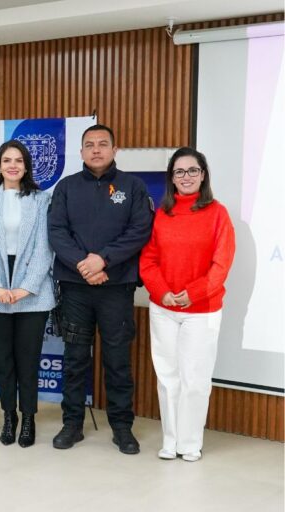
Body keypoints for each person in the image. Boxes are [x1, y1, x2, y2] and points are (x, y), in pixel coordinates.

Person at [48, 124, 153, 454]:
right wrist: (85, 264)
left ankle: (122, 427)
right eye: (89, 145)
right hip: (76, 288)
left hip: (116, 287)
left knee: (118, 360)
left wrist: (103, 261)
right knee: (75, 357)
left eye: (103, 144)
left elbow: (139, 231)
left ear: (114, 150)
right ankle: (73, 424)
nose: (96, 149)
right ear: (81, 152)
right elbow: (56, 231)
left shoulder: (132, 187)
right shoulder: (65, 188)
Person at [139, 147, 234, 462]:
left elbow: (221, 265)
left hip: (201, 310)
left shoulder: (217, 213)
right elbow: (149, 259)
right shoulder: (162, 214)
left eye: (192, 170)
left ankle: (190, 443)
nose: (186, 177)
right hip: (163, 308)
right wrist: (162, 290)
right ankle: (171, 440)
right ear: (172, 178)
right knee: (168, 377)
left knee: (195, 379)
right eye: (179, 172)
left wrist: (192, 293)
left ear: (203, 174)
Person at [0, 140, 55, 447]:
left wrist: (24, 288)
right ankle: (9, 416)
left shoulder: (41, 199)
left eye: (18, 160)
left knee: (28, 359)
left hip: (32, 290)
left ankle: (29, 418)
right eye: (7, 160)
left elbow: (45, 247)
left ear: (26, 166)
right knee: (3, 360)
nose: (12, 165)